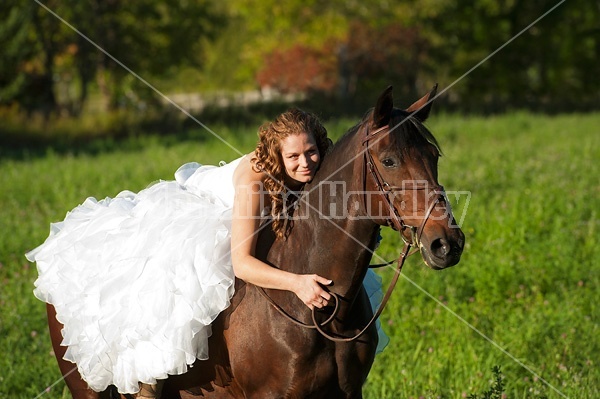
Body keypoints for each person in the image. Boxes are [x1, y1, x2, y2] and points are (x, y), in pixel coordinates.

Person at [26, 108, 387, 398]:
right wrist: (297, 283)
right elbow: (243, 264)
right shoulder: (256, 181)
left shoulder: (316, 168)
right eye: (293, 156)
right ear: (277, 155)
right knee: (184, 273)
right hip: (208, 209)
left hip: (262, 218)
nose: (305, 162)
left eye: (311, 151)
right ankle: (149, 379)